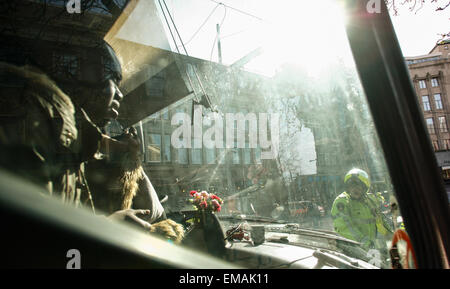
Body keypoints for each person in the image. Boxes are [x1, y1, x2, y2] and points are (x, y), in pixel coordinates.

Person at [0, 40, 152, 229]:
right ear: (81, 77)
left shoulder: (73, 140)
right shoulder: (42, 114)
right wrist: (110, 225)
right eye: (113, 78)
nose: (120, 95)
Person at [331, 168, 392, 250]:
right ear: (347, 188)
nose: (355, 189)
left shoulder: (368, 201)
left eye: (358, 186)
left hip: (371, 248)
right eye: (351, 186)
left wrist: (392, 237)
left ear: (364, 188)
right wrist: (365, 243)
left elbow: (381, 222)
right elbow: (345, 228)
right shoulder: (342, 202)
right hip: (352, 250)